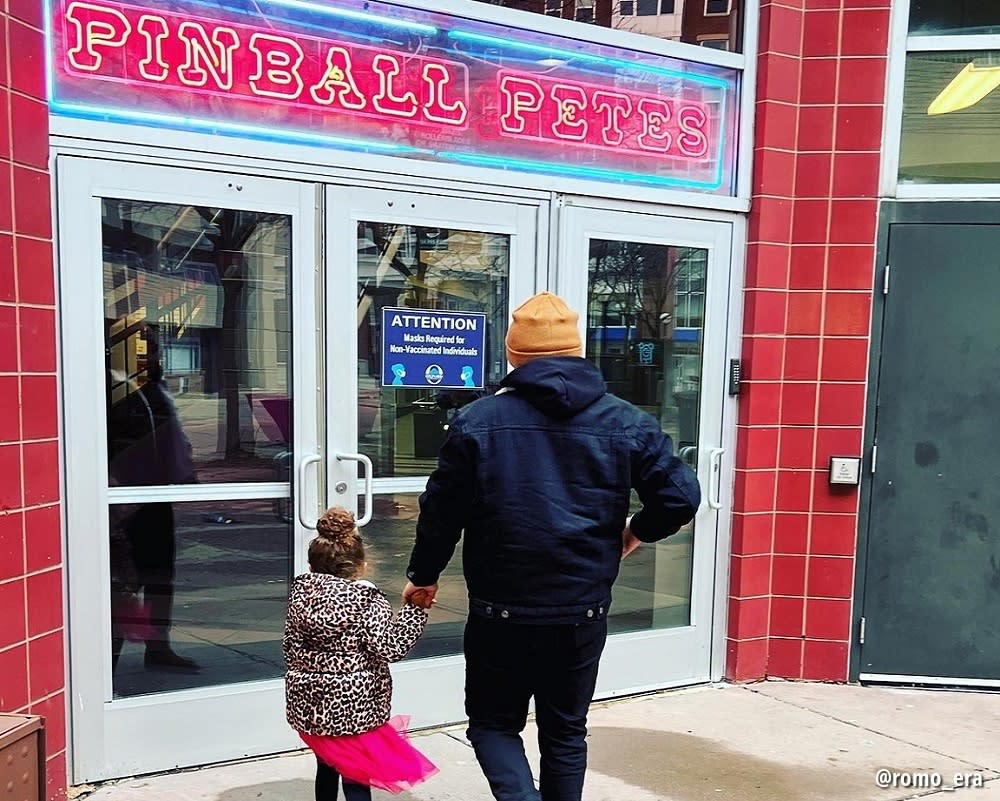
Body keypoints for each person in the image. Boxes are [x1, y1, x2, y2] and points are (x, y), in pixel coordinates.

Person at [402, 291, 701, 801]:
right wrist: (635, 533)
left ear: (514, 357)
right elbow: (680, 496)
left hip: (501, 612)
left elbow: (441, 512)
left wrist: (424, 575)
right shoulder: (625, 421)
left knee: (494, 725)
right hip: (580, 610)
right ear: (575, 349)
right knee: (565, 730)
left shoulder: (477, 422)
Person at [284, 507, 438, 801]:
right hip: (355, 706)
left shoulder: (300, 596)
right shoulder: (365, 600)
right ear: (361, 564)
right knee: (356, 777)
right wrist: (416, 610)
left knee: (326, 765)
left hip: (311, 705)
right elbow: (390, 647)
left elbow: (290, 647)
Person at [107, 325, 199, 672]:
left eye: (154, 351)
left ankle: (159, 647)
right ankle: (108, 660)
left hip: (156, 495)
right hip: (124, 500)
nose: (150, 357)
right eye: (142, 351)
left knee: (161, 573)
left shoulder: (152, 388)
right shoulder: (112, 388)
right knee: (122, 581)